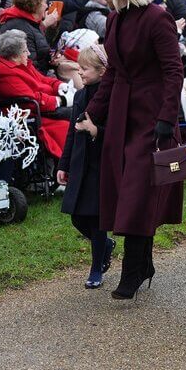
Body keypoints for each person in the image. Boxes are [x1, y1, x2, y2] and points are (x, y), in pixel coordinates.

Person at [78, 0, 184, 300]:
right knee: (126, 190)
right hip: (123, 114)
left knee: (140, 190)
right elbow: (113, 74)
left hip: (152, 115)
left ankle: (134, 269)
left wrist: (167, 117)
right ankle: (145, 262)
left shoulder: (157, 17)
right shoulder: (114, 19)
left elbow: (173, 70)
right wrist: (95, 110)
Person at [57, 44, 116, 289]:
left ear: (103, 71)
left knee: (96, 218)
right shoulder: (81, 96)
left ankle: (95, 268)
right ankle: (105, 246)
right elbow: (72, 132)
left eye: (85, 68)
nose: (79, 72)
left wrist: (96, 132)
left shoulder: (111, 94)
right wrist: (64, 163)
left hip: (100, 163)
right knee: (77, 217)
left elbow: (115, 131)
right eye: (79, 68)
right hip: (81, 161)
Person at [0, 29, 71, 159]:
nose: (28, 53)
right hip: (31, 116)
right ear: (13, 55)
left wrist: (59, 85)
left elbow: (43, 79)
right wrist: (61, 100)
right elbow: (31, 100)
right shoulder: (3, 72)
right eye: (24, 51)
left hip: (43, 109)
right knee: (69, 126)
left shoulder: (23, 64)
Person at [0, 0, 59, 74]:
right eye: (45, 2)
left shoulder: (29, 23)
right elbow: (30, 67)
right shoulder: (20, 27)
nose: (46, 6)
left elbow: (40, 50)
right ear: (36, 4)